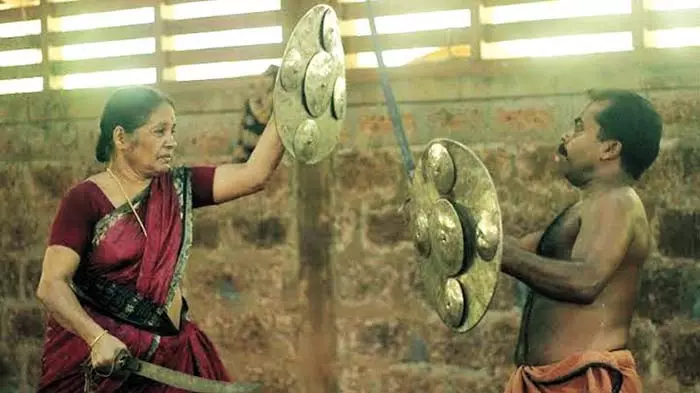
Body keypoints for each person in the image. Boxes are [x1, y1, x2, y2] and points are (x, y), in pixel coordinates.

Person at [35, 85, 285, 392]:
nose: (172, 142)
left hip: (174, 355)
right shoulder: (84, 199)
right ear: (121, 138)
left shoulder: (178, 186)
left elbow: (254, 175)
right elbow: (51, 285)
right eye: (160, 131)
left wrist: (289, 106)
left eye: (173, 130)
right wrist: (96, 338)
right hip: (114, 360)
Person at [500, 89, 662, 393]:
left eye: (578, 128)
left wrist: (501, 253)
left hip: (586, 383)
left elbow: (585, 281)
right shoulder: (581, 210)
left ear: (609, 148)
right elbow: (508, 249)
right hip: (545, 381)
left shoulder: (619, 201)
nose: (565, 136)